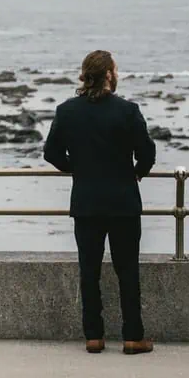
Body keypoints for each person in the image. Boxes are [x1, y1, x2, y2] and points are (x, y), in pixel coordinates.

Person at [44, 50, 158, 354]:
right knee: (128, 271)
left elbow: (51, 154)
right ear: (108, 74)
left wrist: (77, 168)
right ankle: (133, 337)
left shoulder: (67, 111)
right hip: (123, 202)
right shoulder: (127, 110)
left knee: (89, 270)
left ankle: (93, 336)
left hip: (86, 201)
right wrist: (136, 173)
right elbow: (147, 153)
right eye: (115, 69)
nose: (117, 74)